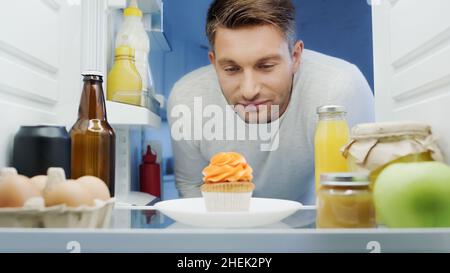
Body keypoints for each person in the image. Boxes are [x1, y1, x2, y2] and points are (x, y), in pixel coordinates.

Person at [168, 0, 374, 204]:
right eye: (231, 69)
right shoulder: (186, 99)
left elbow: (357, 190)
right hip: (226, 229)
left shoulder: (339, 88)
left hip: (312, 226)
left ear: (295, 57)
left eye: (265, 66)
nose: (249, 91)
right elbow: (191, 187)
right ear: (213, 63)